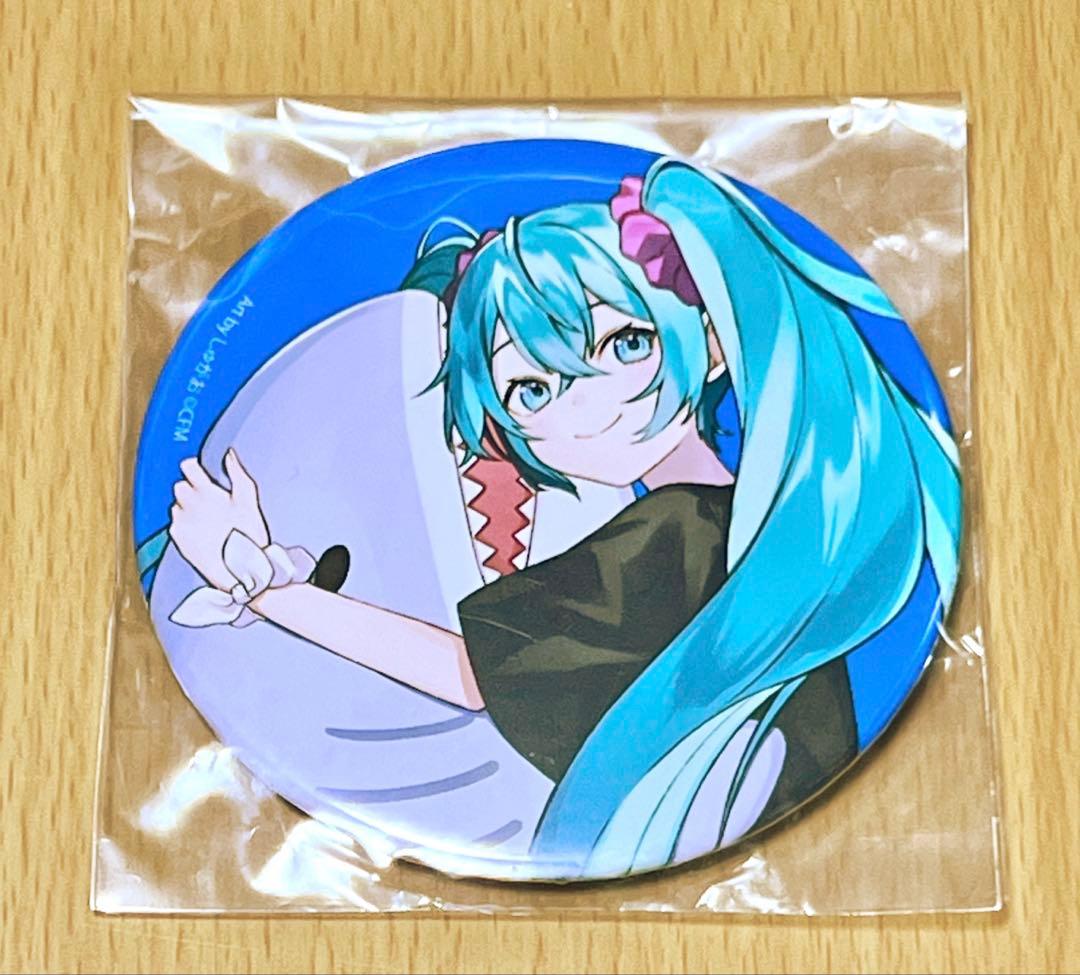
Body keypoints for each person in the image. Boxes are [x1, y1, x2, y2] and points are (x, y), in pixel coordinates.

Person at [166, 159, 961, 875]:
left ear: (712, 344)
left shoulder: (674, 535)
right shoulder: (762, 526)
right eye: (533, 390)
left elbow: (466, 676)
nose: (588, 405)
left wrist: (268, 589)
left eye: (626, 343)